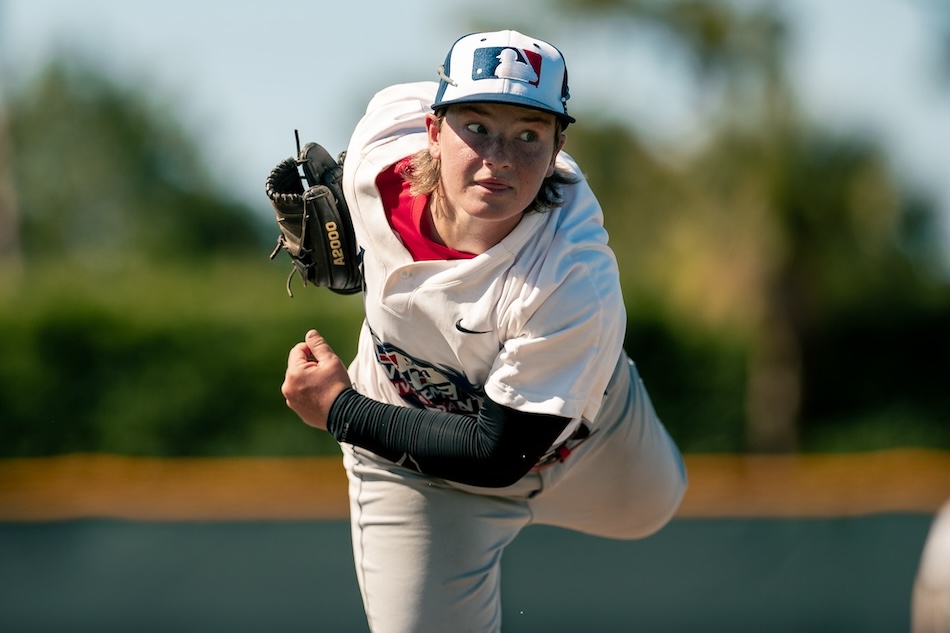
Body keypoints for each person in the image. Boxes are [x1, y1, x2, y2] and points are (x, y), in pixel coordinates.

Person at [281, 29, 687, 633]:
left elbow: (497, 454)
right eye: (476, 126)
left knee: (656, 507)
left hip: (589, 444)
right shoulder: (377, 147)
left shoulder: (573, 275)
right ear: (432, 130)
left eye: (528, 134)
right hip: (410, 466)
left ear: (555, 151)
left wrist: (340, 410)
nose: (498, 157)